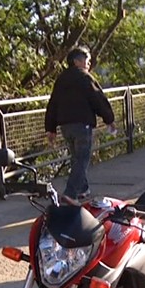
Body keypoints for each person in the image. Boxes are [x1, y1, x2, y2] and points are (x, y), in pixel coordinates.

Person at [45, 46, 115, 206]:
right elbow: (98, 99)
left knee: (75, 158)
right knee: (82, 159)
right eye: (87, 60)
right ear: (76, 61)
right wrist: (109, 119)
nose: (89, 63)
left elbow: (53, 103)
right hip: (82, 124)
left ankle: (83, 189)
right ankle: (71, 193)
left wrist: (50, 128)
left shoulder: (61, 79)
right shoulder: (85, 77)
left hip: (65, 126)